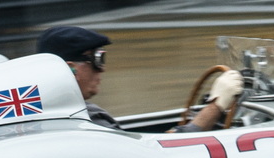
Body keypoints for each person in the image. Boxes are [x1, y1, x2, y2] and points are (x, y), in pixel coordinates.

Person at [35, 24, 246, 130]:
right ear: (70, 70)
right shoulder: (82, 120)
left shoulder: (51, 112)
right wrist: (216, 106)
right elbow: (157, 157)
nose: (102, 70)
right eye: (97, 60)